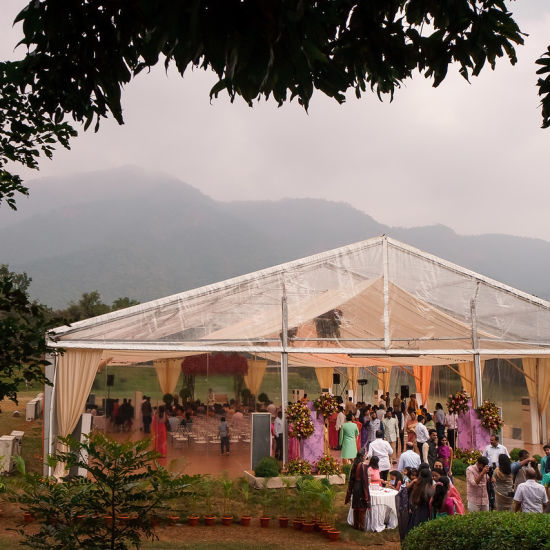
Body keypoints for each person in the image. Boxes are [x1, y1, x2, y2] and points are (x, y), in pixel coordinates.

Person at [345, 450, 371, 530]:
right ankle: (362, 527)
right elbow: (365, 480)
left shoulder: (354, 464)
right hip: (361, 487)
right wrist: (367, 494)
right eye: (365, 455)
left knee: (356, 506)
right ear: (362, 456)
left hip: (355, 487)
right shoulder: (363, 466)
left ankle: (356, 525)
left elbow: (351, 479)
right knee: (362, 507)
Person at [407, 467, 434, 532]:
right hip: (427, 512)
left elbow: (413, 500)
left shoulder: (418, 486)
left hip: (417, 512)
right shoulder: (431, 489)